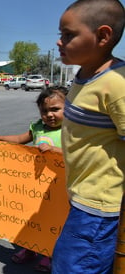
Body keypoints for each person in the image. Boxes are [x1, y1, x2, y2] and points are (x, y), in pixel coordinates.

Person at [52, 1, 125, 273]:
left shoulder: (118, 84)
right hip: (81, 196)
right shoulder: (83, 75)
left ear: (103, 36)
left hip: (97, 206)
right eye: (60, 34)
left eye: (69, 35)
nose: (60, 42)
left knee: (72, 268)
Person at [0, 86, 68, 273]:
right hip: (34, 186)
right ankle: (29, 248)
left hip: (59, 188)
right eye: (44, 111)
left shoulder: (71, 130)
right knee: (30, 219)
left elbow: (77, 155)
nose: (49, 115)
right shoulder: (37, 127)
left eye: (55, 109)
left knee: (54, 222)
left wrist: (54, 150)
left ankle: (49, 254)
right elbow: (21, 139)